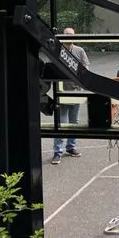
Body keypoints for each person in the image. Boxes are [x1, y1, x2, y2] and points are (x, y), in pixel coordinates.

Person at [51, 28, 89, 165]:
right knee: (61, 123)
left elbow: (86, 68)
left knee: (74, 122)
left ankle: (71, 147)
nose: (69, 36)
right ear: (62, 35)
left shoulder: (79, 51)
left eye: (71, 34)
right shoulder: (57, 50)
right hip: (62, 92)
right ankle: (57, 152)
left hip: (76, 92)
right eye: (67, 34)